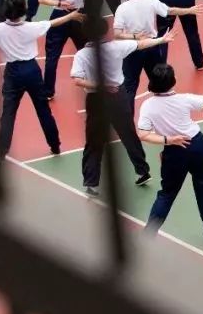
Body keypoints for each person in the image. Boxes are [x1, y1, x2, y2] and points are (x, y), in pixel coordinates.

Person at [137, 64, 203, 244]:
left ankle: (148, 235)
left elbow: (143, 134)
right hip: (198, 146)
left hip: (174, 152)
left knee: (166, 195)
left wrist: (168, 140)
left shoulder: (148, 106)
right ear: (173, 81)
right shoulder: (184, 99)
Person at [0, 0, 84, 157]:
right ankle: (55, 145)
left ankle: (2, 149)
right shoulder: (31, 27)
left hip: (12, 73)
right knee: (43, 110)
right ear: (23, 11)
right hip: (31, 70)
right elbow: (53, 22)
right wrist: (71, 16)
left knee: (8, 112)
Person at [71, 34, 171, 196]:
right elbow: (141, 44)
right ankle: (142, 171)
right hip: (118, 95)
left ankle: (91, 182)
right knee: (129, 133)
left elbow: (77, 80)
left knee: (94, 140)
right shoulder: (116, 47)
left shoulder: (81, 54)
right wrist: (161, 39)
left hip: (96, 99)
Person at [112, 0, 199, 100]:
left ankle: (128, 114)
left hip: (132, 50)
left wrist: (134, 36)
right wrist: (189, 10)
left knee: (129, 88)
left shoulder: (121, 9)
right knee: (161, 83)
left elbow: (117, 34)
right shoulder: (150, 1)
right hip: (152, 47)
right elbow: (170, 10)